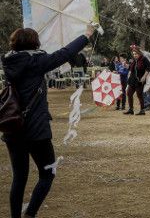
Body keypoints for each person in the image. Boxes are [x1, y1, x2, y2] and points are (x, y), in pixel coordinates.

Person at [1, 24, 95, 218]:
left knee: (19, 178)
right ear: (34, 43)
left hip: (13, 128)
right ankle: (30, 214)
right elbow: (65, 53)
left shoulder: (9, 61)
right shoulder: (37, 61)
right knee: (47, 174)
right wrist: (86, 35)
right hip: (36, 130)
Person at [124, 46, 150, 115]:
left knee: (139, 94)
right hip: (132, 79)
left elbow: (148, 68)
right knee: (129, 93)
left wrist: (144, 76)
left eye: (136, 54)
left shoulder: (144, 59)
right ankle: (131, 109)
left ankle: (142, 110)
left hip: (140, 79)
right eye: (134, 54)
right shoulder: (134, 60)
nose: (135, 55)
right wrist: (126, 65)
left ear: (139, 53)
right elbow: (131, 68)